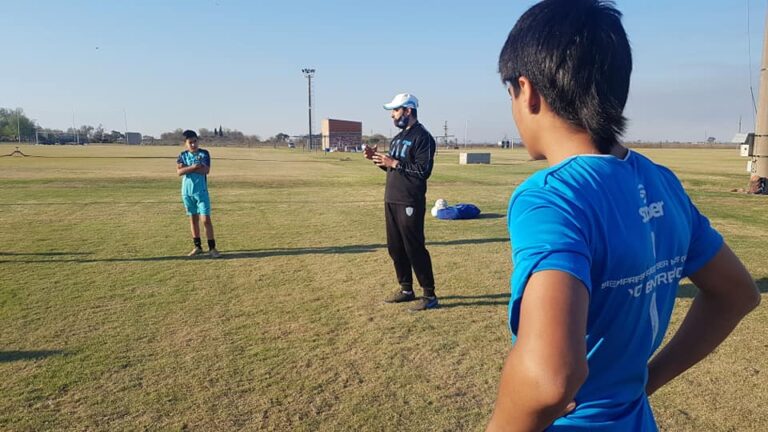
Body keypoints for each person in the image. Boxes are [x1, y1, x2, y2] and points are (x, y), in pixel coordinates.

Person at [486, 1, 760, 431]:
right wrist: (645, 381)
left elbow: (549, 380)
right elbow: (737, 293)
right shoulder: (661, 181)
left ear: (528, 90)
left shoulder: (552, 197)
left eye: (511, 95)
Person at [364, 93, 438, 311]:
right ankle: (406, 289)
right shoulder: (397, 138)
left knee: (414, 247)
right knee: (395, 247)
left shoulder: (423, 137)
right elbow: (392, 168)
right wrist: (377, 160)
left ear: (408, 110)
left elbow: (423, 171)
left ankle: (429, 295)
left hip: (410, 200)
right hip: (392, 198)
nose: (392, 116)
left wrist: (395, 163)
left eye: (395, 111)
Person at [176, 130, 221, 258]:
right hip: (187, 192)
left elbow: (206, 170)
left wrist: (187, 168)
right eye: (190, 142)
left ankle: (212, 248)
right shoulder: (182, 155)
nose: (193, 144)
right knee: (193, 219)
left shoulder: (204, 153)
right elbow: (179, 172)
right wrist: (194, 167)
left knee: (206, 220)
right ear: (185, 143)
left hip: (201, 192)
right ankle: (197, 247)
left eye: (195, 141)